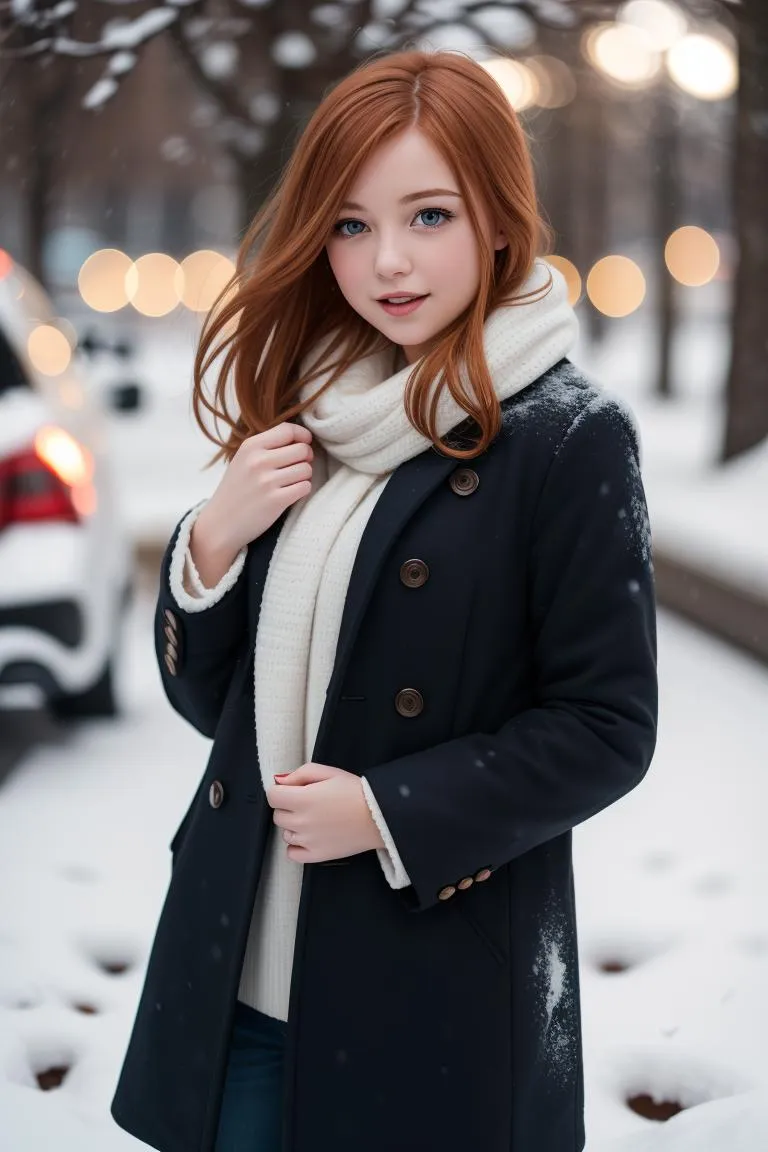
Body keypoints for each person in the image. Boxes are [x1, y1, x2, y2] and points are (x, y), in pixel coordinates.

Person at [111, 48, 657, 1152]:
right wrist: (214, 539)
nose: (388, 261)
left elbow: (609, 728)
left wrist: (389, 813)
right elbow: (213, 706)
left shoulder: (567, 439)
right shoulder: (312, 410)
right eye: (352, 224)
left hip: (426, 997)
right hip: (237, 982)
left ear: (499, 221)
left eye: (429, 215)